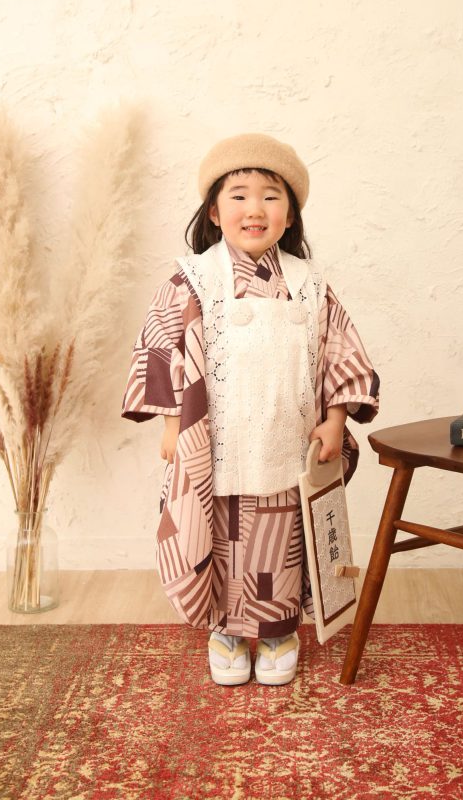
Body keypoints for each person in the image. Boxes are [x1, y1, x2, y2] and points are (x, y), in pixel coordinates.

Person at [122, 133, 379, 687]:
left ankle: (280, 630)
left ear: (291, 215)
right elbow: (163, 345)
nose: (255, 209)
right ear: (215, 212)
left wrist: (335, 420)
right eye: (239, 196)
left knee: (279, 538)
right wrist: (172, 423)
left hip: (288, 439)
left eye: (270, 196)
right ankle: (227, 631)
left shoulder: (310, 284)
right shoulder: (195, 279)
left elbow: (341, 351)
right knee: (223, 535)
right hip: (216, 444)